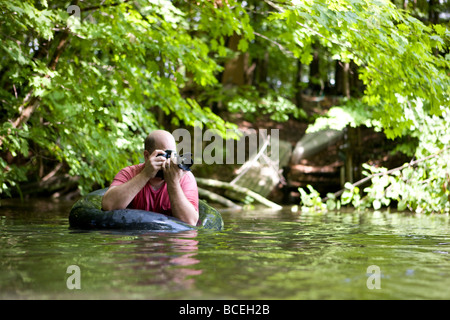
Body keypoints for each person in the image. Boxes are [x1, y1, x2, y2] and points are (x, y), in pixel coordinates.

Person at [101, 130, 199, 226]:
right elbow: (108, 206)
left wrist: (173, 182)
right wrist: (145, 174)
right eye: (166, 155)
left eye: (173, 155)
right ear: (147, 156)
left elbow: (190, 222)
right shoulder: (129, 173)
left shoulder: (185, 177)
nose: (169, 161)